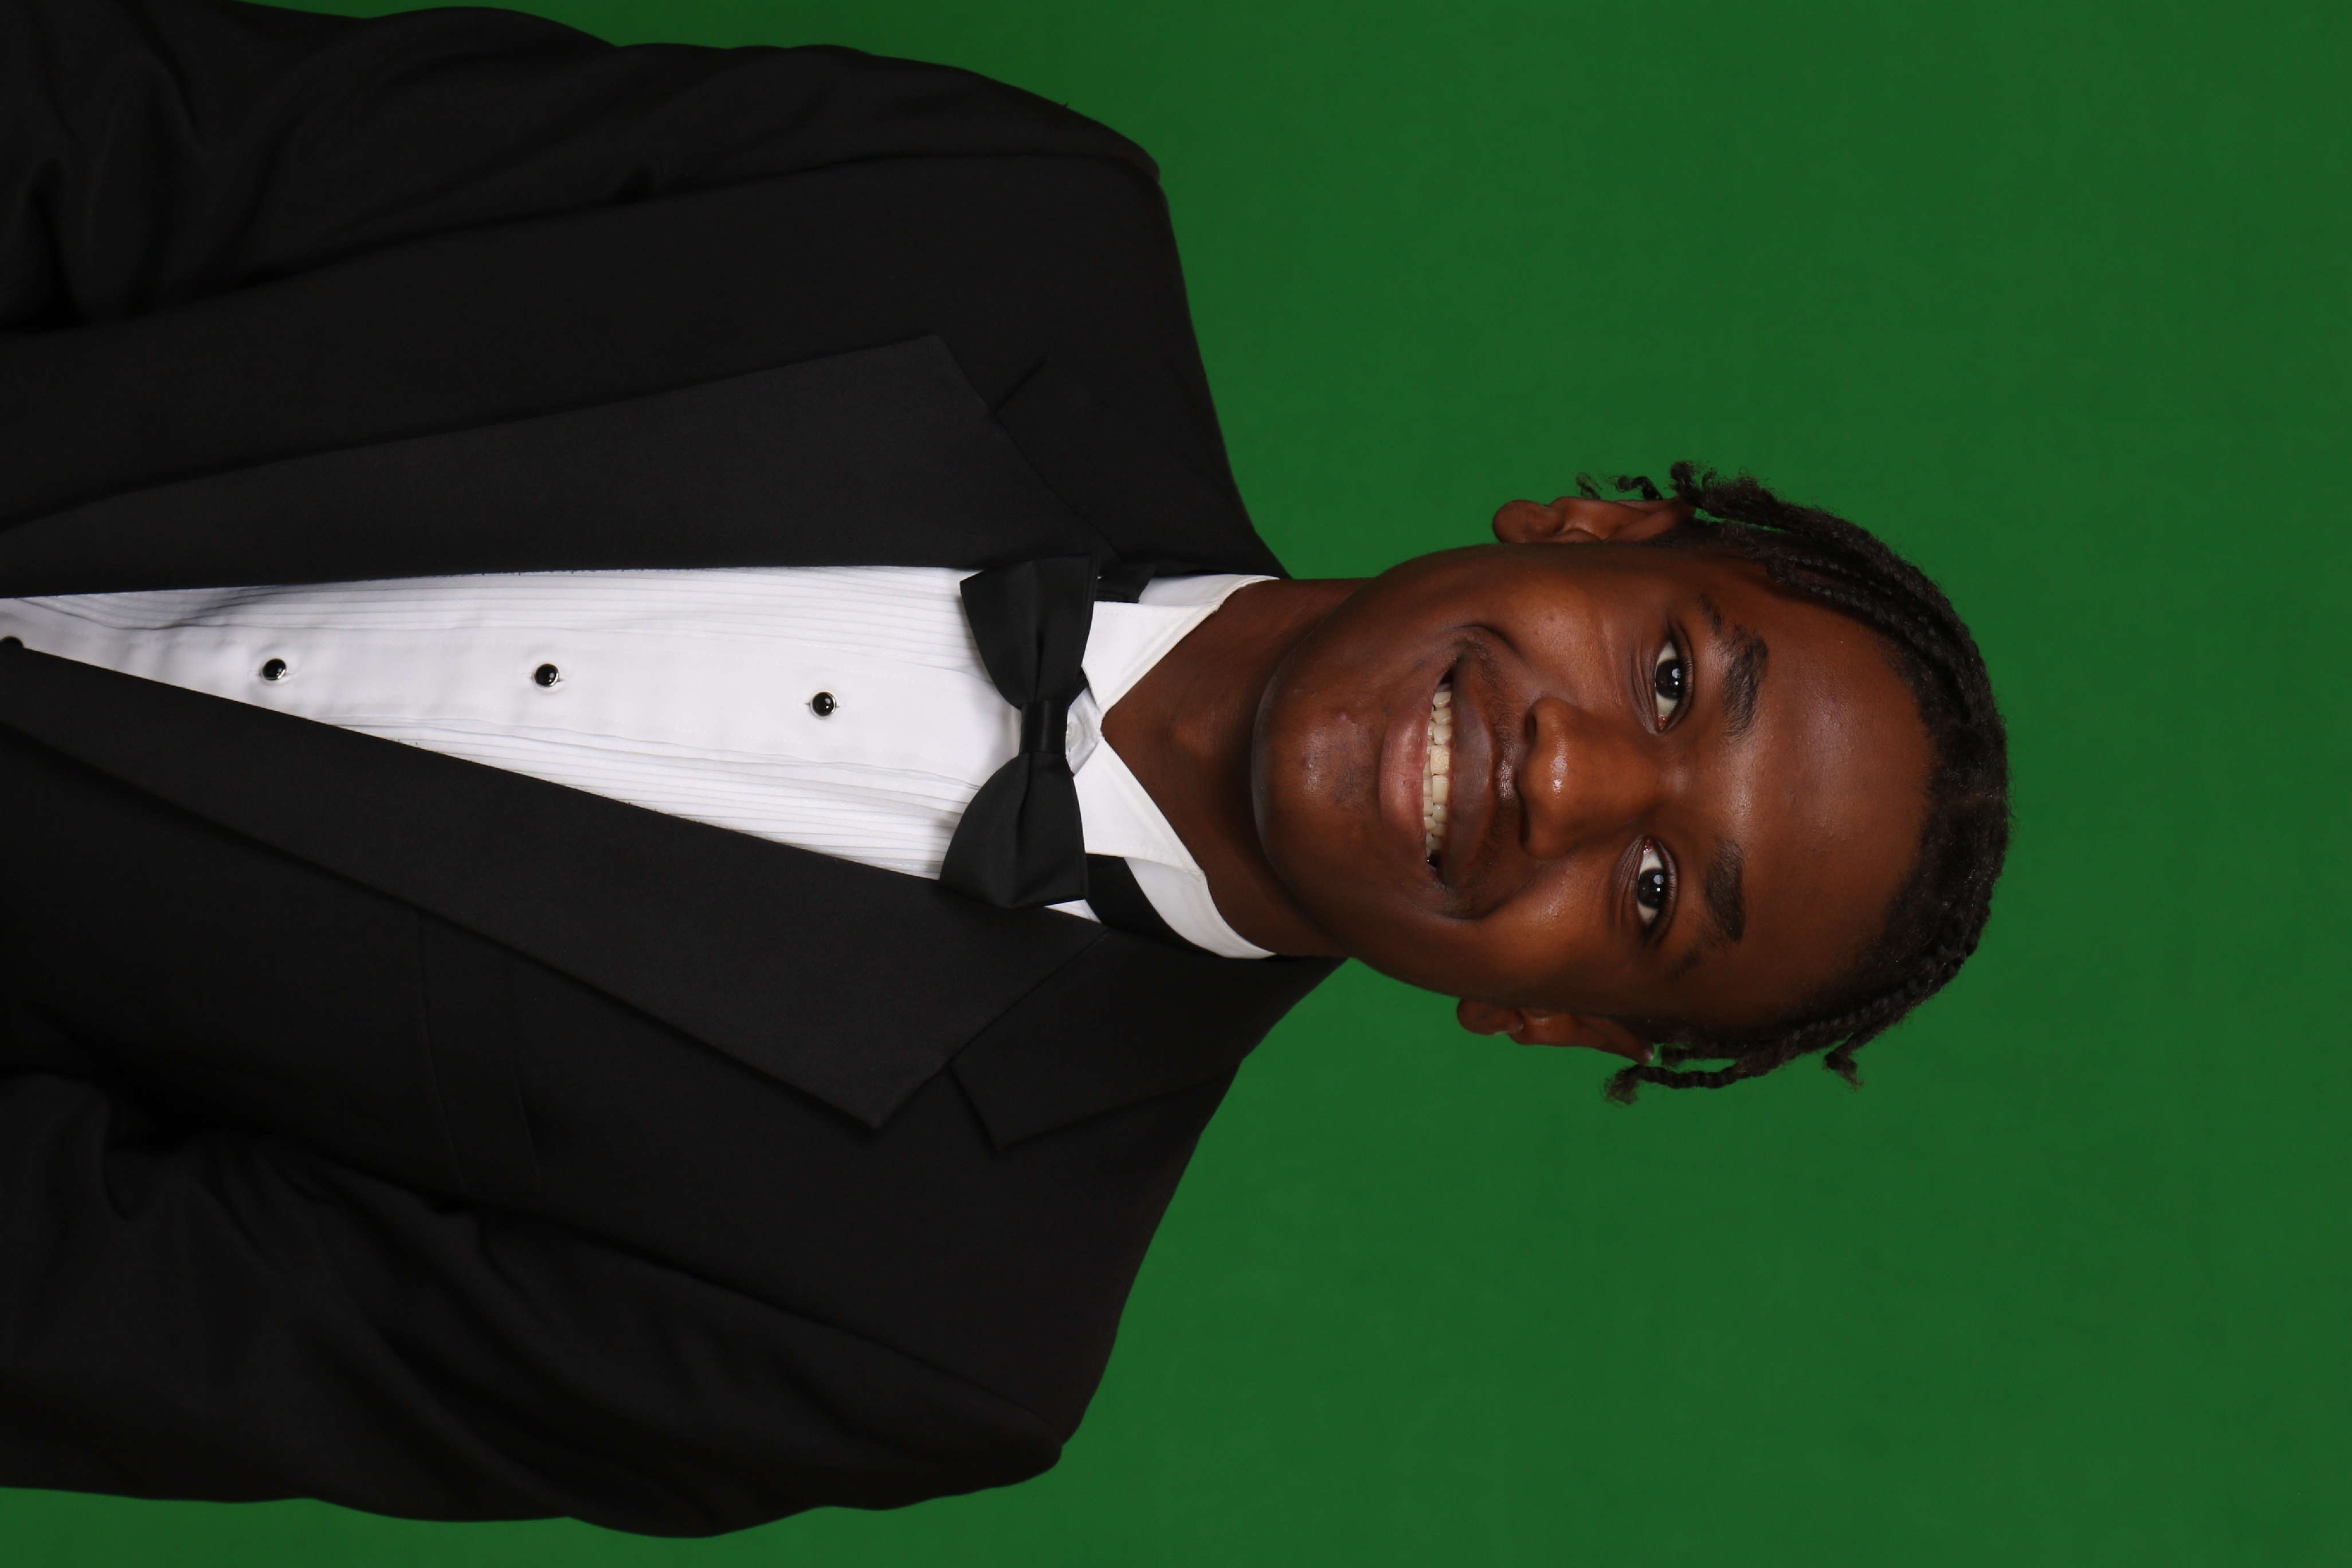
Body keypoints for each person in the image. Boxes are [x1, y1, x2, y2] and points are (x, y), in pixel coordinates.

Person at [0, 0, 2010, 1537]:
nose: (1571, 786)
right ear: (1591, 527)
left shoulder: (927, 1333)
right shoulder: (999, 218)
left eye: (1654, 900)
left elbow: (80, 1316)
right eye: (1672, 679)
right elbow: (134, 141)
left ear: (1547, 1019)